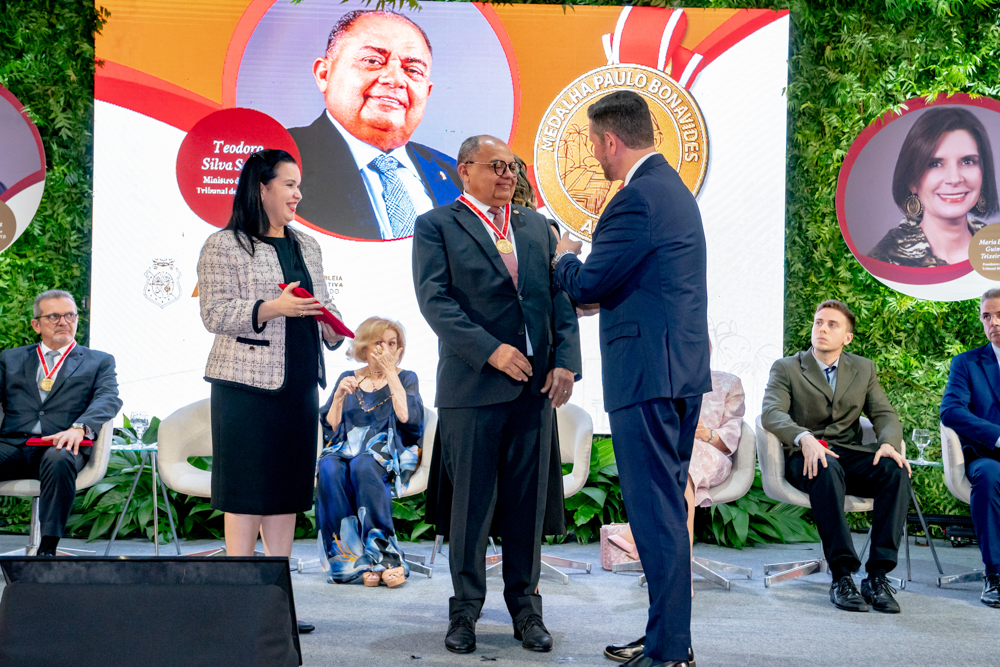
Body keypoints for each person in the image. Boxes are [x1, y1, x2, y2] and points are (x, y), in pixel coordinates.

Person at [553, 90, 710, 667]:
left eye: (593, 143)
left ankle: (669, 651)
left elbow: (589, 284)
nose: (594, 154)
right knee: (663, 506)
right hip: (675, 370)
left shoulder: (635, 199)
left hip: (647, 374)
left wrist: (565, 256)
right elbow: (634, 283)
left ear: (610, 140)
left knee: (656, 512)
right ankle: (668, 636)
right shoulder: (671, 190)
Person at [412, 134, 581, 655]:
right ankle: (464, 612)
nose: (509, 175)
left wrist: (566, 364)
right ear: (466, 170)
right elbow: (434, 301)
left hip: (534, 391)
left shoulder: (535, 225)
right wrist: (491, 351)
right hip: (472, 387)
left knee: (526, 508)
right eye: (497, 166)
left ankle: (526, 611)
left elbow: (560, 299)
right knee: (471, 509)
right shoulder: (436, 225)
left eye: (513, 167)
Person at [197, 149, 345, 633]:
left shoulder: (308, 245)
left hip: (300, 383)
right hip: (245, 386)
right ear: (261, 188)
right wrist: (271, 307)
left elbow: (318, 302)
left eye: (300, 186)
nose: (298, 194)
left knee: (286, 491)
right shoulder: (225, 245)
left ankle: (275, 601)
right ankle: (241, 599)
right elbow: (215, 314)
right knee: (246, 491)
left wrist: (334, 326)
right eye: (289, 184)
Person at [761, 299, 911, 614]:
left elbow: (884, 414)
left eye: (832, 324)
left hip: (849, 453)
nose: (823, 329)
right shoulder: (787, 367)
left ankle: (877, 576)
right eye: (819, 322)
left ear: (847, 337)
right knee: (825, 466)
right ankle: (842, 576)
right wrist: (804, 438)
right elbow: (772, 413)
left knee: (894, 470)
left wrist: (888, 444)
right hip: (804, 456)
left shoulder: (863, 368)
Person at [288, 9, 461, 240]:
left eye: (413, 70)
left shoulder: (455, 175)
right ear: (324, 74)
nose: (395, 79)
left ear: (427, 91)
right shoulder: (281, 159)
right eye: (373, 61)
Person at [0, 290, 122, 556]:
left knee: (59, 459)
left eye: (70, 315)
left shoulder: (99, 361)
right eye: (54, 316)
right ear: (36, 324)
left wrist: (80, 427)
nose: (63, 322)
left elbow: (108, 398)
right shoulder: (10, 358)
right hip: (13, 443)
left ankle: (47, 550)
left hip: (61, 444)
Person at [606, 369, 746, 585]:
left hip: (711, 453)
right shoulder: (663, 380)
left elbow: (733, 435)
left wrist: (706, 433)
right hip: (675, 457)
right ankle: (681, 574)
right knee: (679, 469)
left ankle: (635, 533)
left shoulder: (728, 383)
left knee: (683, 462)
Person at [315, 317, 424, 587]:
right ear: (365, 347)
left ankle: (385, 558)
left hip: (389, 450)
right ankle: (349, 560)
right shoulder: (347, 378)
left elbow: (408, 420)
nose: (386, 349)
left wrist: (390, 374)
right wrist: (339, 396)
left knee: (364, 464)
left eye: (392, 343)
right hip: (346, 448)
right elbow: (331, 428)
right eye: (379, 343)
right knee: (329, 466)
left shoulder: (407, 377)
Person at [868, 107, 998, 266]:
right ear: (912, 181)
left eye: (967, 161)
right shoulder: (883, 261)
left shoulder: (993, 245)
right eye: (935, 164)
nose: (954, 178)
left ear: (983, 174)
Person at [939, 287, 1000, 608]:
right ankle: (995, 575)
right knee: (990, 476)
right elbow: (951, 411)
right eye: (987, 316)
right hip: (987, 456)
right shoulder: (967, 363)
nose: (994, 323)